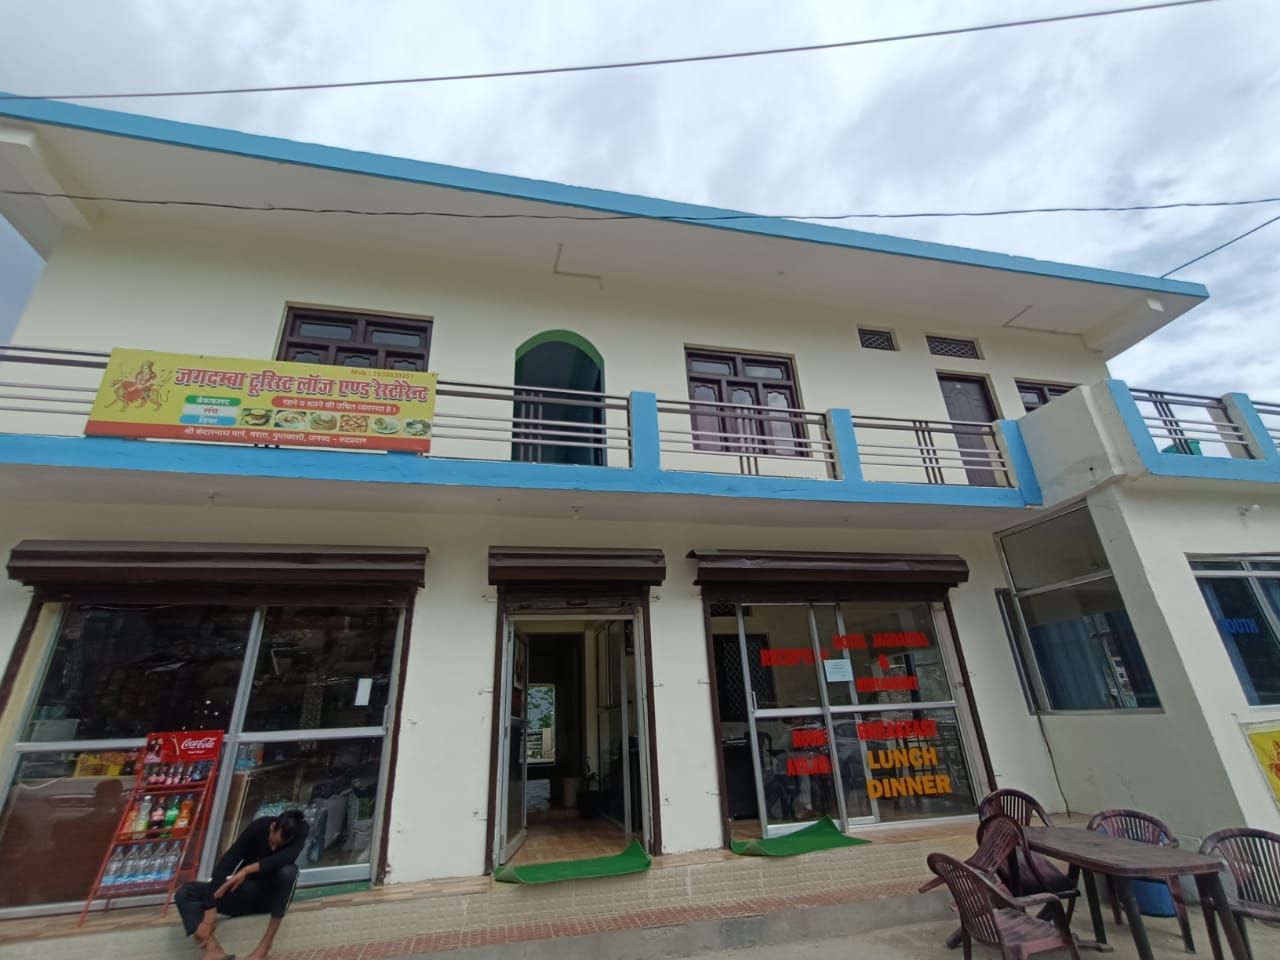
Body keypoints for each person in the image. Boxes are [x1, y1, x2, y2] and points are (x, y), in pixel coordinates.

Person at [174, 810, 308, 960]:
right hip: (245, 892)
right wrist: (210, 911)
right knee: (185, 893)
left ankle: (265, 946)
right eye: (272, 842)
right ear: (272, 826)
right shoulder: (258, 827)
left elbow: (286, 858)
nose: (273, 849)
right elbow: (225, 865)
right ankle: (213, 950)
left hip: (270, 898)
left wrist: (247, 870)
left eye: (279, 846)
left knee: (289, 872)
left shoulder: (301, 830)